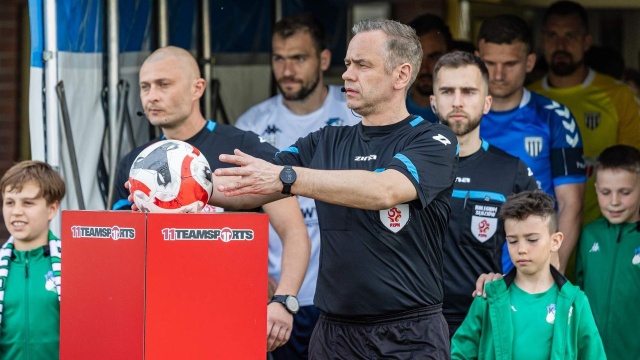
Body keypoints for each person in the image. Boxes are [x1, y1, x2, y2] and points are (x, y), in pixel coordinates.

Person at [214, 19, 458, 358]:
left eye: (362, 65)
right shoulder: (324, 141)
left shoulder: (434, 139)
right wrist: (182, 188)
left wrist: (289, 179)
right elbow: (252, 186)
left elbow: (384, 190)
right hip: (334, 336)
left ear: (401, 75)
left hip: (409, 336)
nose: (346, 75)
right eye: (347, 64)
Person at [112, 46, 310, 352]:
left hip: (234, 316)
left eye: (164, 84)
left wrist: (284, 300)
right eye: (145, 86)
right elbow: (121, 250)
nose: (151, 96)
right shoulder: (136, 162)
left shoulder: (242, 147)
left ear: (197, 88)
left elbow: (295, 231)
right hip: (163, 318)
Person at [234, 13, 360, 360]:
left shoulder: (354, 113)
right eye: (279, 58)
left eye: (298, 58)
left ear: (323, 59)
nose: (287, 69)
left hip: (341, 297)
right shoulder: (252, 124)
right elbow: (240, 211)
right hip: (276, 298)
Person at [430, 51, 538, 337]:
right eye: (447, 91)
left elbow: (546, 251)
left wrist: (508, 280)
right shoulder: (404, 168)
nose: (457, 101)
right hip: (414, 326)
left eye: (468, 91)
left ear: (487, 102)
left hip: (484, 320)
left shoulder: (511, 171)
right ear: (432, 102)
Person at [477, 14, 586, 274]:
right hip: (466, 272)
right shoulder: (456, 118)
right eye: (489, 63)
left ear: (530, 62)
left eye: (510, 63)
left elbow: (572, 204)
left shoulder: (554, 117)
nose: (499, 74)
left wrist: (549, 275)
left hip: (534, 266)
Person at [451, 190, 606, 359]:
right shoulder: (489, 297)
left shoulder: (576, 302)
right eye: (512, 241)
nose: (521, 249)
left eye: (532, 240)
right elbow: (459, 353)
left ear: (555, 241)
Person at [529, 1, 640, 226]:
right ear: (542, 40)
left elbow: (634, 170)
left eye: (570, 35)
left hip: (604, 234)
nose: (561, 44)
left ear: (586, 41)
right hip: (540, 235)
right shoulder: (528, 99)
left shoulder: (619, 96)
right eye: (552, 35)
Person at [576, 144, 640, 360]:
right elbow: (580, 293)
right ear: (596, 190)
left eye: (625, 192)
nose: (614, 201)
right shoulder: (589, 235)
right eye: (605, 192)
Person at [0, 161, 65, 359]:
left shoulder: (73, 265)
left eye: (28, 203)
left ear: (52, 209)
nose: (16, 211)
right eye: (9, 202)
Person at [406, 13, 452, 123]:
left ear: (450, 56)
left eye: (433, 57)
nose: (424, 68)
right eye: (418, 57)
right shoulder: (386, 117)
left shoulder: (466, 114)